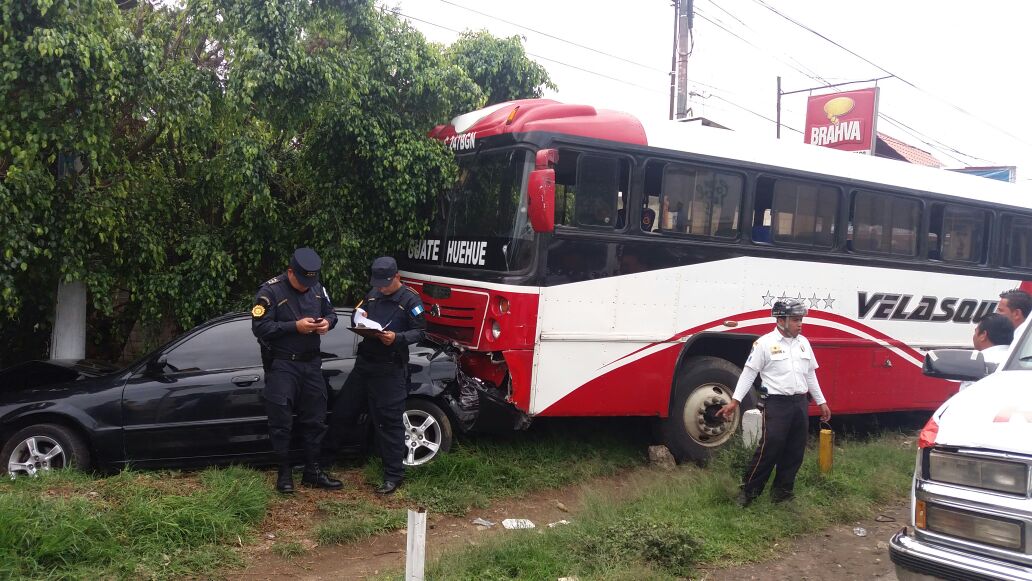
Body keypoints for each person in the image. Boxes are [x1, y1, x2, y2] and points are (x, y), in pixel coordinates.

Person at [716, 299, 832, 507]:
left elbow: (811, 375)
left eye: (801, 320)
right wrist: (735, 401)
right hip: (776, 405)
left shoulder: (804, 343)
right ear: (781, 320)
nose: (800, 324)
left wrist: (821, 402)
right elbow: (748, 374)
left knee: (795, 451)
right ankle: (748, 494)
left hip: (799, 404)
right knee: (770, 449)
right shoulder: (764, 344)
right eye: (796, 320)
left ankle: (782, 495)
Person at [252, 248, 342, 493]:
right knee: (281, 421)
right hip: (283, 365)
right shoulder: (270, 291)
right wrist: (294, 327)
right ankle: (284, 474)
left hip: (311, 364)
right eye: (302, 281)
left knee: (315, 419)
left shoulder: (317, 288)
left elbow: (332, 313)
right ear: (290, 272)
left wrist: (327, 324)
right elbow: (260, 328)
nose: (306, 286)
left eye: (309, 281)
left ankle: (313, 471)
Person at [335, 256, 426, 494]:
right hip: (365, 365)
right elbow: (359, 309)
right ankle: (325, 461)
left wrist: (398, 338)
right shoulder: (373, 293)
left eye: (386, 283)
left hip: (390, 369)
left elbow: (420, 332)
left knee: (389, 422)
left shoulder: (410, 300)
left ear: (397, 277)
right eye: (378, 283)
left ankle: (393, 476)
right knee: (344, 411)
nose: (382, 288)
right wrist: (359, 318)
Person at [959, 313, 1014, 390]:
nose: (974, 336)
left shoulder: (974, 364)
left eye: (975, 331)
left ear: (983, 335)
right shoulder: (1021, 361)